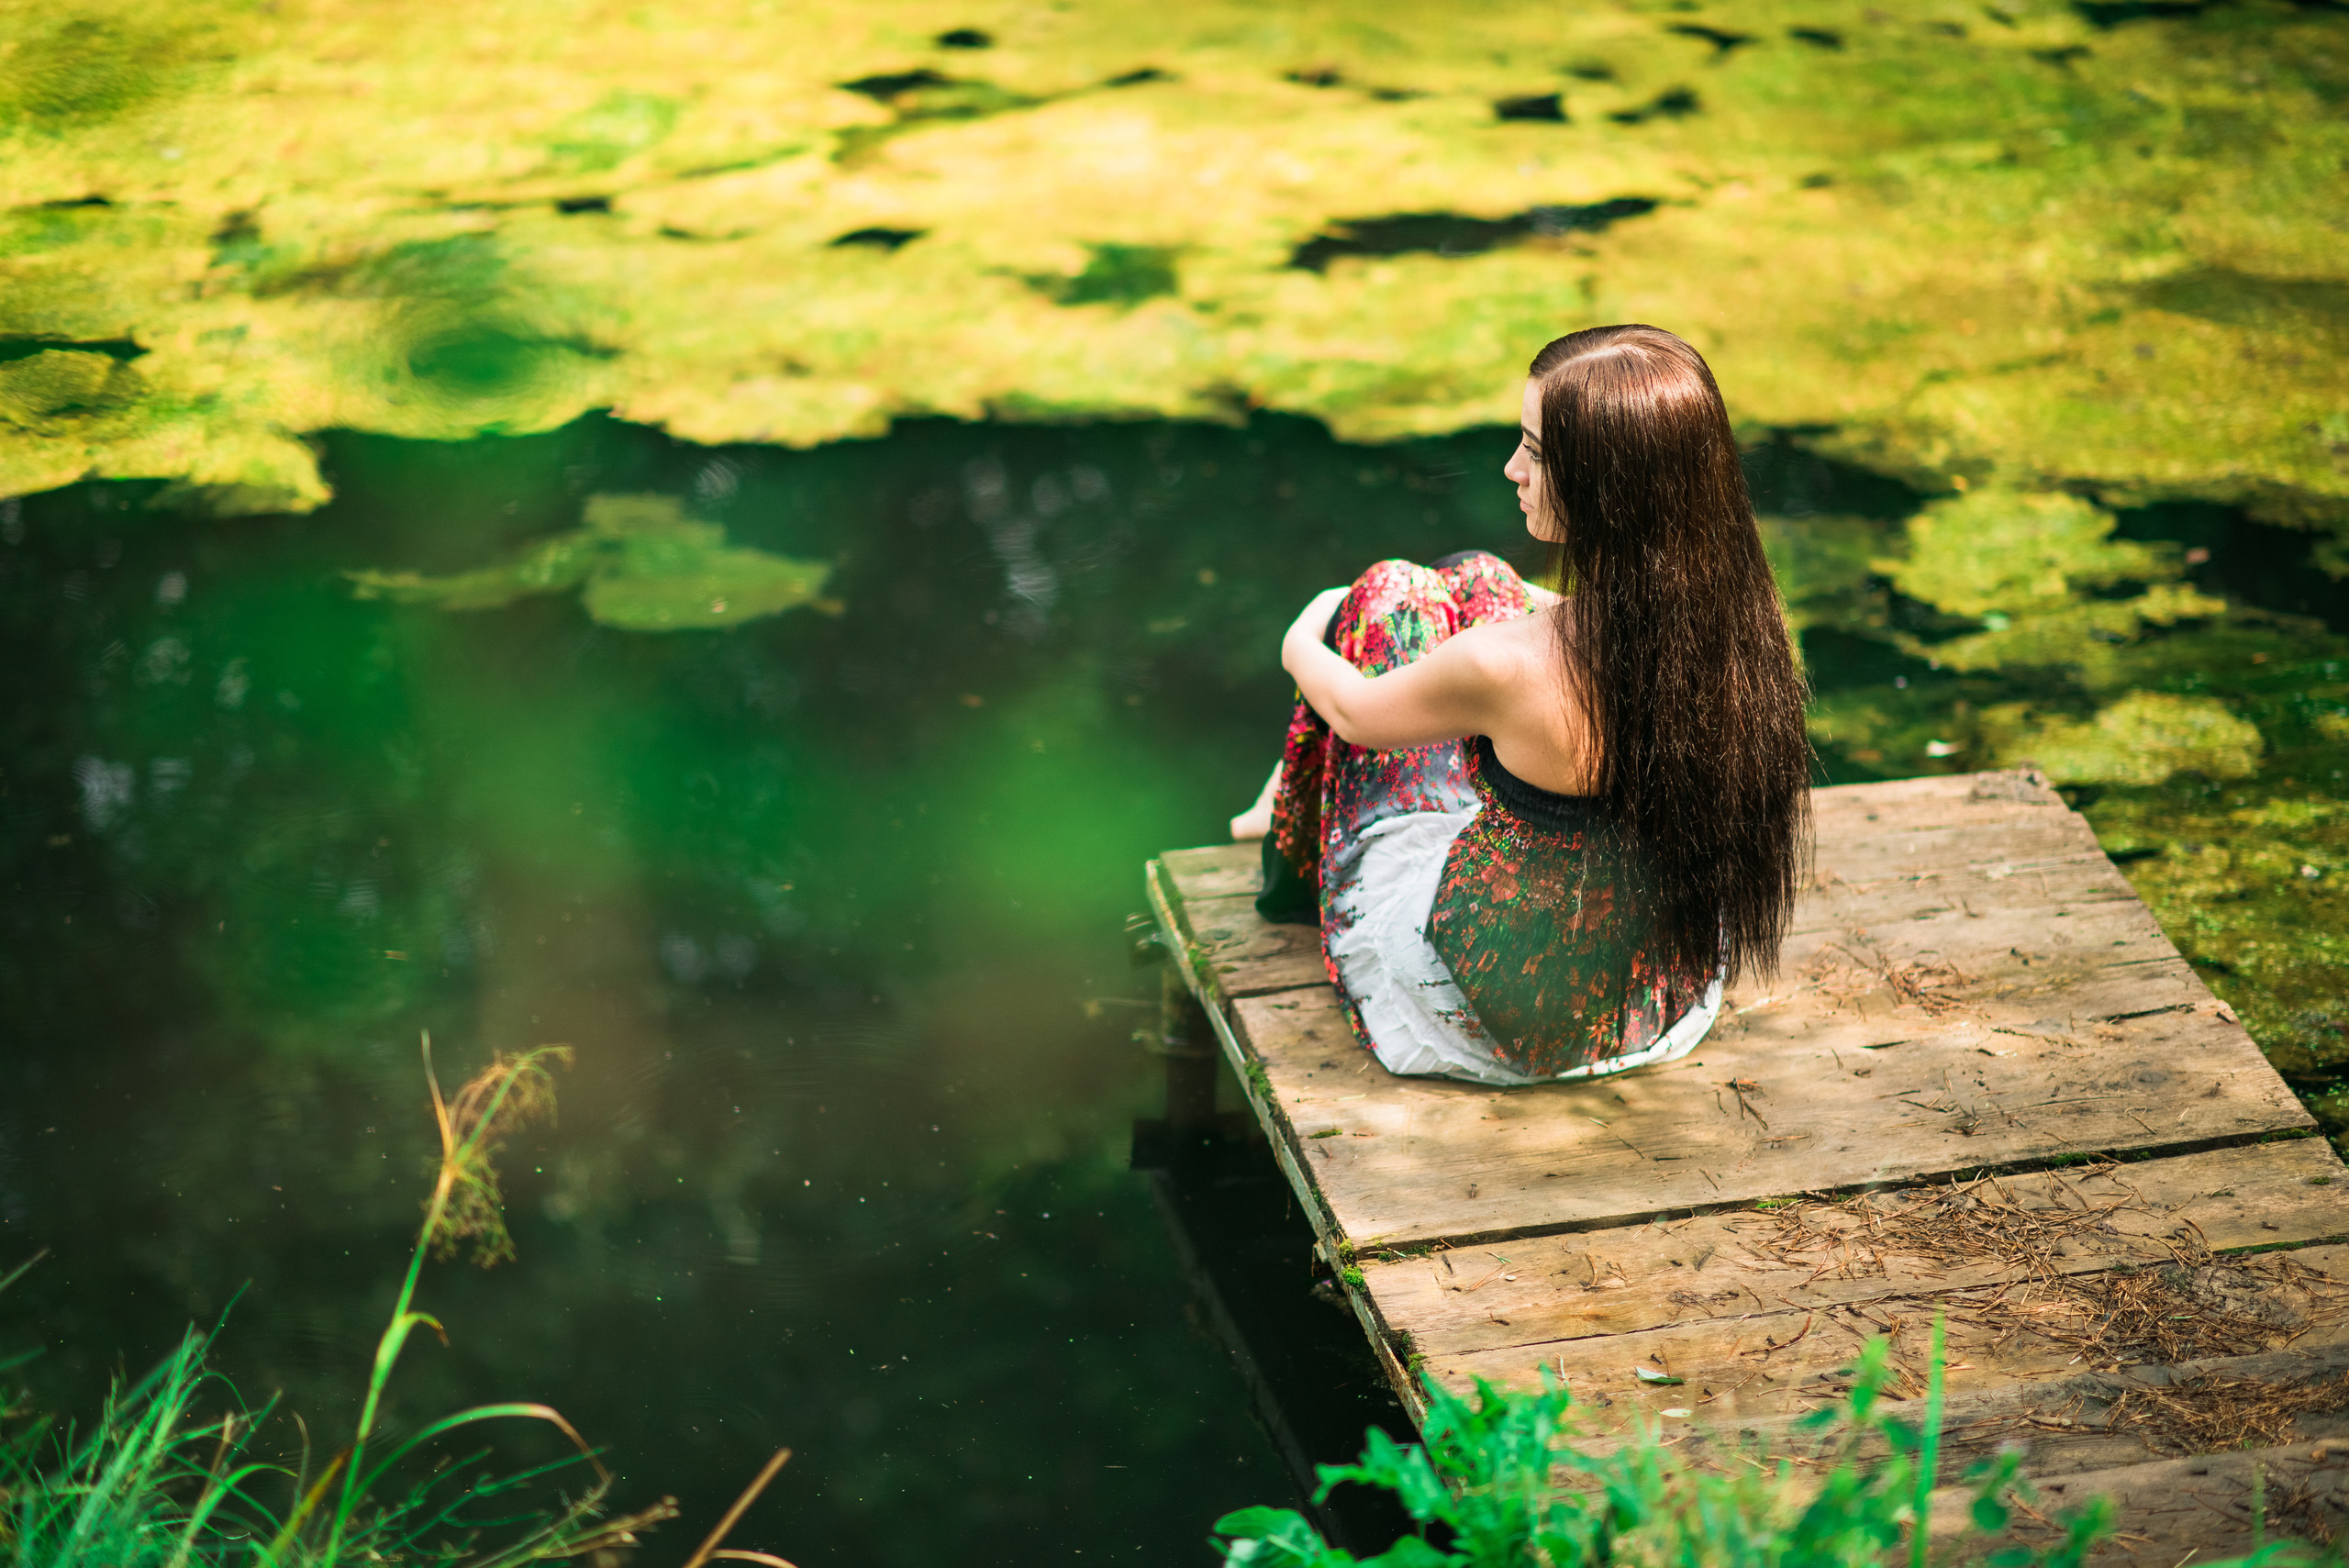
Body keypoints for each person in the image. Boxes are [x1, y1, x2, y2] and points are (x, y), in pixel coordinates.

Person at [1230, 325, 1812, 1085]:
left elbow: (1356, 716)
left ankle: (1283, 827)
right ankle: (1275, 797)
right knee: (1479, 574)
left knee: (1390, 593)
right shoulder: (1742, 631)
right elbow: (1577, 626)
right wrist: (1490, 596)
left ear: (1609, 484)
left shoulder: (1503, 666)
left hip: (1502, 1008)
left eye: (1536, 452)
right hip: (1651, 995)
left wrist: (1305, 627)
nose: (1512, 469)